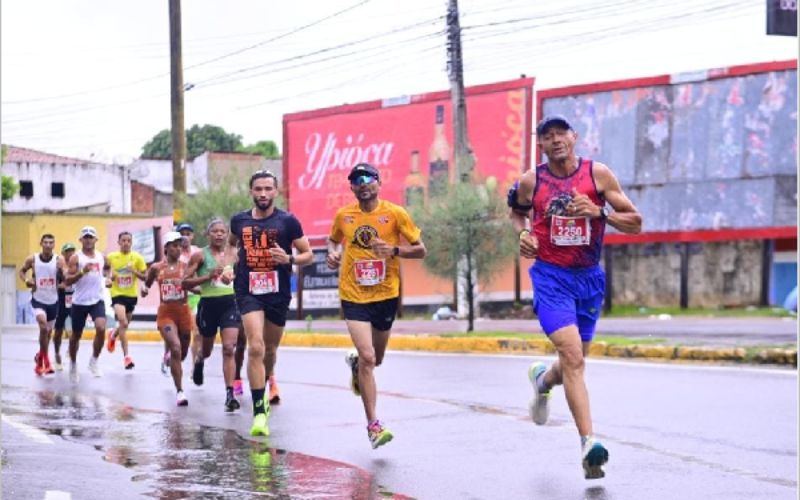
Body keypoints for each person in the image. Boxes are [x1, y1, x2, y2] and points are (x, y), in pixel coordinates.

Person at [508, 115, 642, 480]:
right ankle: (588, 445)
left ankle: (543, 381)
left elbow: (635, 221)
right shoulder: (531, 181)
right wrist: (522, 234)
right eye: (547, 136)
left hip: (589, 278)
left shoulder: (598, 175)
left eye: (561, 133)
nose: (555, 140)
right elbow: (517, 212)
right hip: (551, 277)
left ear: (574, 137)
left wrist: (600, 212)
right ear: (540, 144)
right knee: (573, 357)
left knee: (575, 360)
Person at [326, 163, 427, 449]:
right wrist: (333, 255)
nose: (363, 183)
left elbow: (421, 250)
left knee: (376, 359)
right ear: (351, 187)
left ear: (379, 183)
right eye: (356, 180)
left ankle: (356, 365)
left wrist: (394, 250)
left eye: (368, 178)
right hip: (353, 294)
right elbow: (333, 241)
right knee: (369, 357)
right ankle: (373, 426)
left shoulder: (395, 214)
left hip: (385, 294)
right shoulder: (344, 215)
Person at [229, 170, 312, 436]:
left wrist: (289, 259)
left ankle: (263, 388)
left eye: (267, 189)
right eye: (258, 189)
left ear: (275, 192)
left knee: (270, 351)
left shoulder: (288, 221)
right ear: (251, 192)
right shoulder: (239, 220)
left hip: (278, 291)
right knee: (255, 346)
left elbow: (308, 254)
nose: (263, 194)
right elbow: (231, 246)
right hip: (248, 290)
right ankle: (259, 413)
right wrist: (231, 265)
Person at [183, 219, 242, 412]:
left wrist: (232, 277)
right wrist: (208, 277)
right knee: (207, 349)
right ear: (208, 234)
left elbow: (241, 276)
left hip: (229, 304)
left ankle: (229, 394)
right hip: (208, 306)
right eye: (215, 231)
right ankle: (200, 359)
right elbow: (184, 282)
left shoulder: (233, 254)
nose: (219, 235)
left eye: (222, 231)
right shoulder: (200, 255)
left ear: (227, 234)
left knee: (229, 348)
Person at [143, 232, 194, 406]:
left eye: (180, 246)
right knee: (176, 348)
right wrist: (144, 289)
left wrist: (197, 289)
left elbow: (194, 285)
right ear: (166, 247)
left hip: (184, 312)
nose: (178, 249)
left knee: (182, 353)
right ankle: (180, 391)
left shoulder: (186, 266)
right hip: (166, 313)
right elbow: (148, 282)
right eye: (174, 246)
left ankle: (170, 359)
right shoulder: (157, 268)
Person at [63, 226, 113, 383]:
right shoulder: (76, 258)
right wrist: (82, 272)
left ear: (96, 239)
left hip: (97, 299)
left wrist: (109, 278)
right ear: (81, 240)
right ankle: (73, 364)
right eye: (86, 237)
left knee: (101, 328)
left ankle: (94, 361)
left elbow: (108, 268)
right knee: (76, 336)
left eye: (91, 237)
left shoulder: (101, 257)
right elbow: (68, 280)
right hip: (79, 301)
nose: (88, 240)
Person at [19, 234, 68, 375]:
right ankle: (46, 361)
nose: (48, 245)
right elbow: (22, 271)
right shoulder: (33, 259)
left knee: (47, 333)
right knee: (43, 326)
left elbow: (66, 277)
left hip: (53, 300)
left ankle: (40, 356)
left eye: (51, 242)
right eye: (45, 242)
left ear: (54, 245)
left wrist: (61, 272)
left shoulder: (59, 260)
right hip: (38, 299)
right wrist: (27, 280)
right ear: (41, 244)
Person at [106, 231, 148, 369]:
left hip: (131, 296)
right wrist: (109, 278)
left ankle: (113, 335)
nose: (126, 243)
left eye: (128, 240)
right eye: (123, 240)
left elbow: (145, 277)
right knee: (123, 322)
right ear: (119, 242)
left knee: (124, 325)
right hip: (117, 294)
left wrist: (134, 271)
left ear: (131, 242)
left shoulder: (137, 258)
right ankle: (127, 357)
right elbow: (105, 270)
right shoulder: (112, 257)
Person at [53, 242, 77, 371]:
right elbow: (52, 284)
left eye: (72, 251)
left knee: (77, 329)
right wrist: (60, 286)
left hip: (75, 300)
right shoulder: (57, 268)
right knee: (58, 331)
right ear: (63, 254)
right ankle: (57, 354)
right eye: (68, 251)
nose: (70, 253)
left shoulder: (78, 266)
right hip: (61, 301)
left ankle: (71, 350)